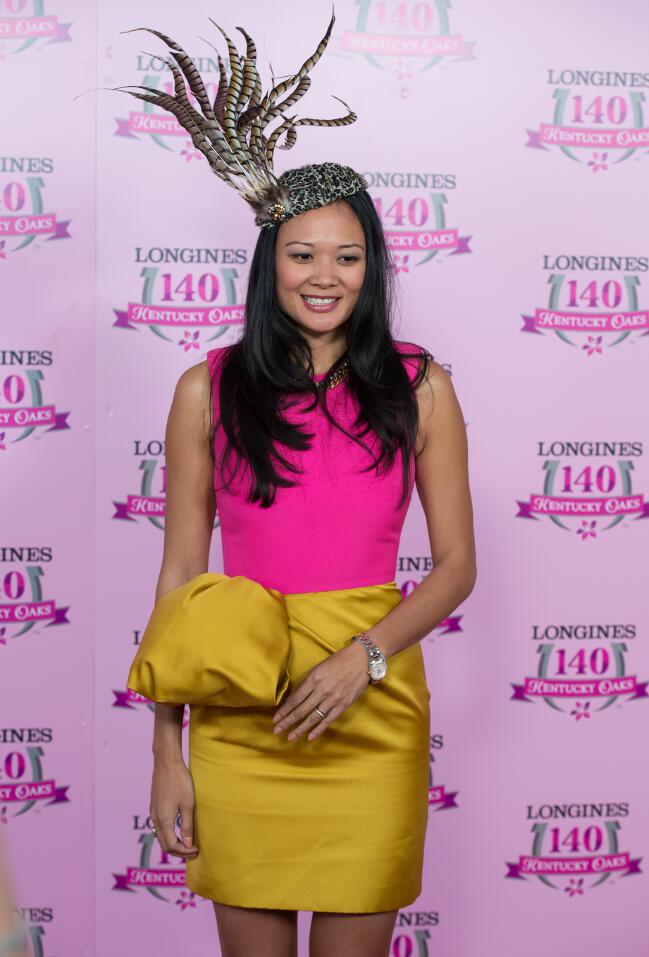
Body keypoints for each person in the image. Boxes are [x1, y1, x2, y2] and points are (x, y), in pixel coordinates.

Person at [120, 14, 476, 957]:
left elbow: (454, 568)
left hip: (371, 703)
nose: (326, 276)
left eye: (348, 256)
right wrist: (168, 753)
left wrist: (359, 659)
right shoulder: (206, 387)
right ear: (268, 261)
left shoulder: (421, 383)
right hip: (241, 706)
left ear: (372, 267)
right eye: (303, 254)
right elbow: (178, 583)